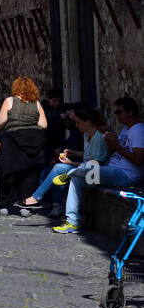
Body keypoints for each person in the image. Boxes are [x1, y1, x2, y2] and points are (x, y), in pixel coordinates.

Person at [56, 97, 144, 235]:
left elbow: (139, 160)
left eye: (119, 112)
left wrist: (116, 145)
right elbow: (116, 151)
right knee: (77, 179)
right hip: (112, 171)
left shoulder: (138, 130)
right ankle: (72, 221)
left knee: (87, 168)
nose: (117, 116)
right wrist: (109, 140)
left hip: (126, 175)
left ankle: (70, 173)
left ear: (130, 112)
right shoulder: (126, 129)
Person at [21, 107, 108, 216]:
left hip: (95, 174)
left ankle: (38, 198)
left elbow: (95, 164)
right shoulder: (86, 134)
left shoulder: (99, 137)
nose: (76, 126)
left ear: (88, 122)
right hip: (86, 169)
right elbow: (88, 156)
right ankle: (54, 203)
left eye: (78, 123)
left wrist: (70, 163)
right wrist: (75, 153)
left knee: (59, 169)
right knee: (58, 170)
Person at [0, 77, 48, 215]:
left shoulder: (9, 101)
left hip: (13, 142)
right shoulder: (37, 104)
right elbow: (43, 124)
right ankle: (25, 207)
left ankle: (2, 206)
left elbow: (0, 121)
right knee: (29, 175)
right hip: (33, 142)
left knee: (6, 173)